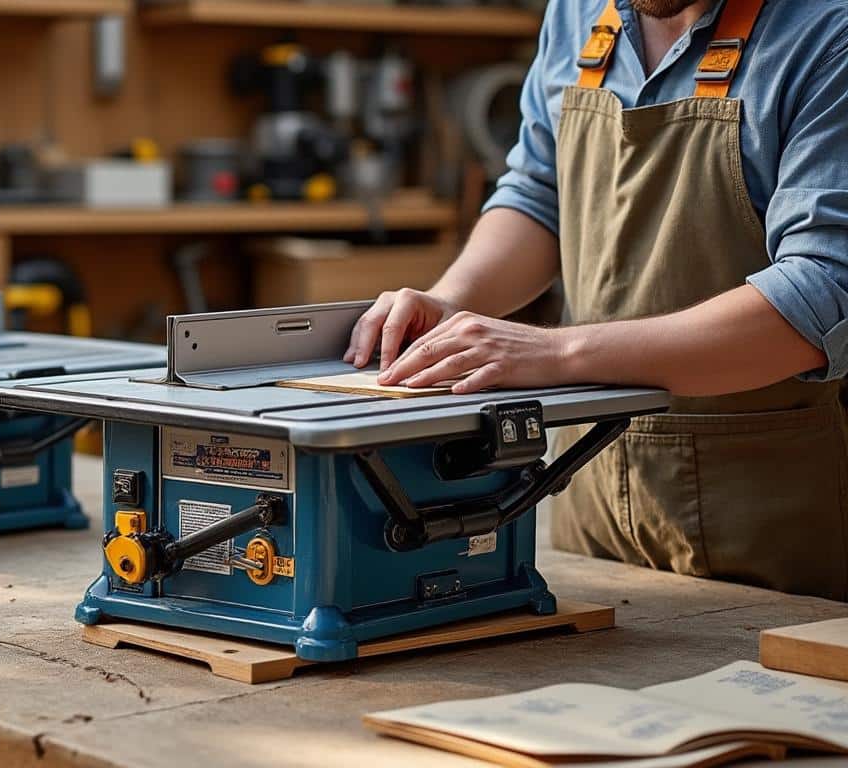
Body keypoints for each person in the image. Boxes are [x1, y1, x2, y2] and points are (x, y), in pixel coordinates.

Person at [346, 0, 848, 601]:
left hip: (774, 531)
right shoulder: (576, 12)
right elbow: (539, 193)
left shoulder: (828, 32)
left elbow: (820, 294)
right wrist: (453, 299)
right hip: (590, 498)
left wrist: (559, 352)